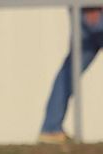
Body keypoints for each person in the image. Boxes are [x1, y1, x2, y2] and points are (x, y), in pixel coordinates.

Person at [39, 6, 103, 143]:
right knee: (70, 71)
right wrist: (90, 6)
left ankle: (51, 128)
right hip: (93, 11)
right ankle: (51, 128)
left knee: (70, 71)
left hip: (86, 11)